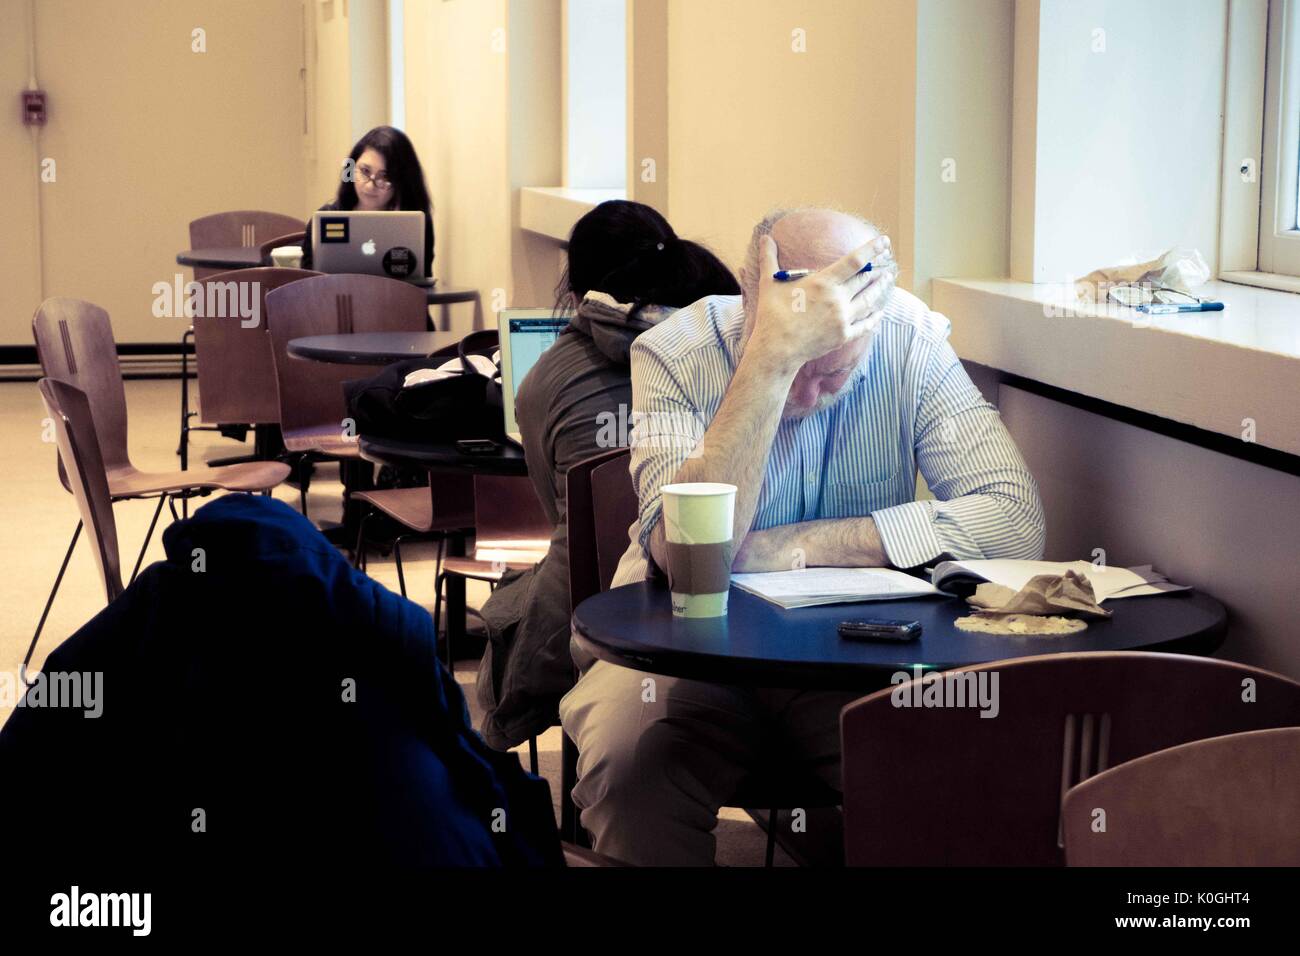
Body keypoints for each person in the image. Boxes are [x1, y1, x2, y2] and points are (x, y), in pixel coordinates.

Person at [559, 207, 1047, 865]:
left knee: (954, 771)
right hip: (681, 652)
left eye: (835, 373)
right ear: (747, 289)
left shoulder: (910, 340)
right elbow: (688, 559)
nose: (811, 389)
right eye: (799, 363)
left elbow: (1014, 520)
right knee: (630, 768)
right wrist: (767, 364)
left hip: (853, 659)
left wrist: (793, 548)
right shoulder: (674, 352)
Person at [476, 200, 741, 751]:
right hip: (739, 592)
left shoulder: (546, 377)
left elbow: (564, 515)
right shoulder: (735, 344)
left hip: (592, 607)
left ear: (576, 294)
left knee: (509, 607)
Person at [301, 125, 435, 277]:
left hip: (395, 299)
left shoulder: (415, 225)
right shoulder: (326, 218)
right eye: (365, 171)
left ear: (402, 182)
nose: (371, 185)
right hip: (336, 300)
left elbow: (422, 284)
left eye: (385, 177)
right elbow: (307, 285)